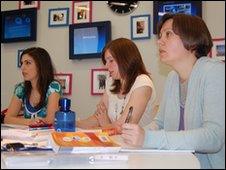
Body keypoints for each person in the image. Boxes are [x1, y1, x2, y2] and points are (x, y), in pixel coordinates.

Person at [121, 13, 225, 169]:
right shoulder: (172, 78)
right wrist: (134, 134)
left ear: (191, 38)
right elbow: (160, 123)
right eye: (160, 35)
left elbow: (214, 137)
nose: (159, 41)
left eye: (168, 34)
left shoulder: (214, 72)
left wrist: (147, 138)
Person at [77, 38, 156, 131]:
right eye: (106, 62)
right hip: (117, 142)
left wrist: (105, 125)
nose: (106, 66)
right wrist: (73, 123)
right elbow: (97, 118)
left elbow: (124, 127)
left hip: (140, 144)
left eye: (111, 61)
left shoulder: (142, 82)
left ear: (126, 59)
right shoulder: (110, 82)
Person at [4, 47, 62, 126]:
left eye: (27, 63)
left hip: (47, 137)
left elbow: (50, 120)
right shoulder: (21, 88)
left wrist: (20, 120)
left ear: (40, 65)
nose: (22, 68)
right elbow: (7, 119)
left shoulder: (53, 87)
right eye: (22, 63)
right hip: (27, 136)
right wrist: (30, 122)